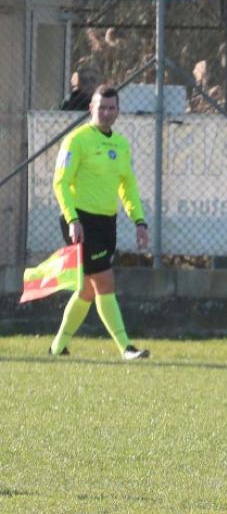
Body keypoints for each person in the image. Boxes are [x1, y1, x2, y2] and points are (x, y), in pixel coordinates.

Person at [47, 84, 150, 360]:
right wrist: (72, 219)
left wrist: (139, 221)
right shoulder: (77, 140)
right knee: (104, 281)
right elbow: (61, 182)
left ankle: (57, 347)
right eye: (101, 107)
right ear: (91, 108)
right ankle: (126, 347)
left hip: (107, 223)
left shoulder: (121, 145)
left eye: (111, 108)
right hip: (81, 222)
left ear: (118, 111)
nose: (106, 112)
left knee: (88, 289)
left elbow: (127, 187)